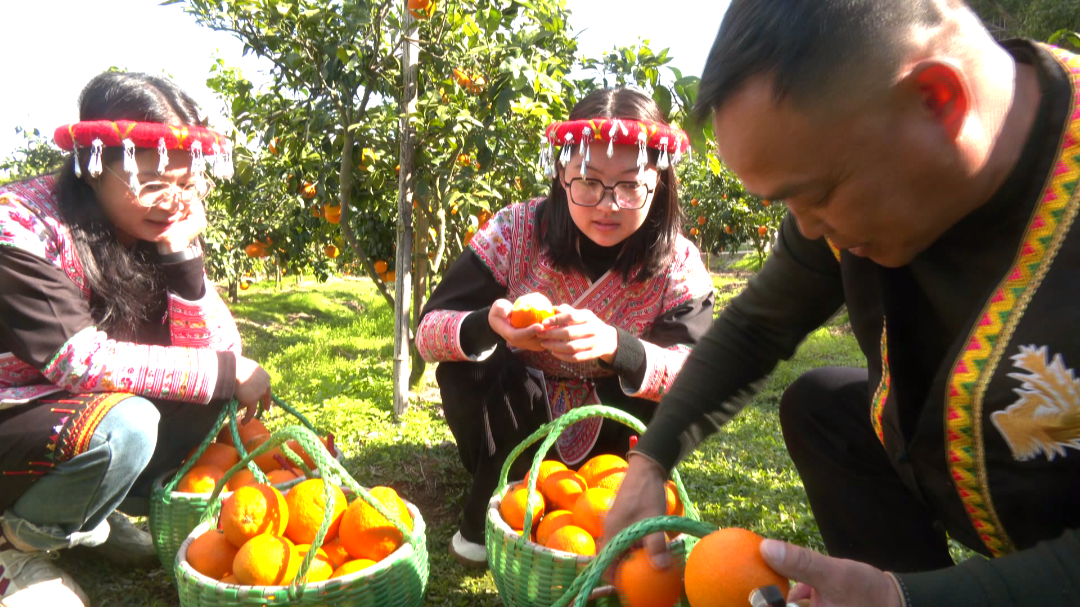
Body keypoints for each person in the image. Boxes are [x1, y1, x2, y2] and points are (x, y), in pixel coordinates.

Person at [602, 1, 1080, 605]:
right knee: (823, 407)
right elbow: (756, 327)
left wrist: (902, 600)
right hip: (958, 465)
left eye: (817, 195)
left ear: (937, 100)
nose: (807, 228)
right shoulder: (855, 164)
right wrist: (650, 459)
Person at [0, 71, 272, 607]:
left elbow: (218, 349)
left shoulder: (149, 227)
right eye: (151, 181)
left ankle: (87, 516)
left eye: (185, 184)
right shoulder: (20, 224)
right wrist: (223, 372)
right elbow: (77, 360)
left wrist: (183, 259)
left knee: (206, 398)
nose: (172, 200)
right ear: (93, 164)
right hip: (14, 414)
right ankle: (14, 545)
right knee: (128, 424)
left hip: (82, 410)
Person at [416, 87, 716, 567]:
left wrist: (618, 347)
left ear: (658, 181)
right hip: (518, 407)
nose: (608, 205)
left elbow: (701, 376)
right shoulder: (515, 230)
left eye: (630, 186)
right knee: (465, 363)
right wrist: (489, 325)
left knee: (665, 401)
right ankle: (499, 487)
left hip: (614, 434)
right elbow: (429, 330)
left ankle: (606, 501)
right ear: (561, 174)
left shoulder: (677, 261)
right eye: (588, 182)